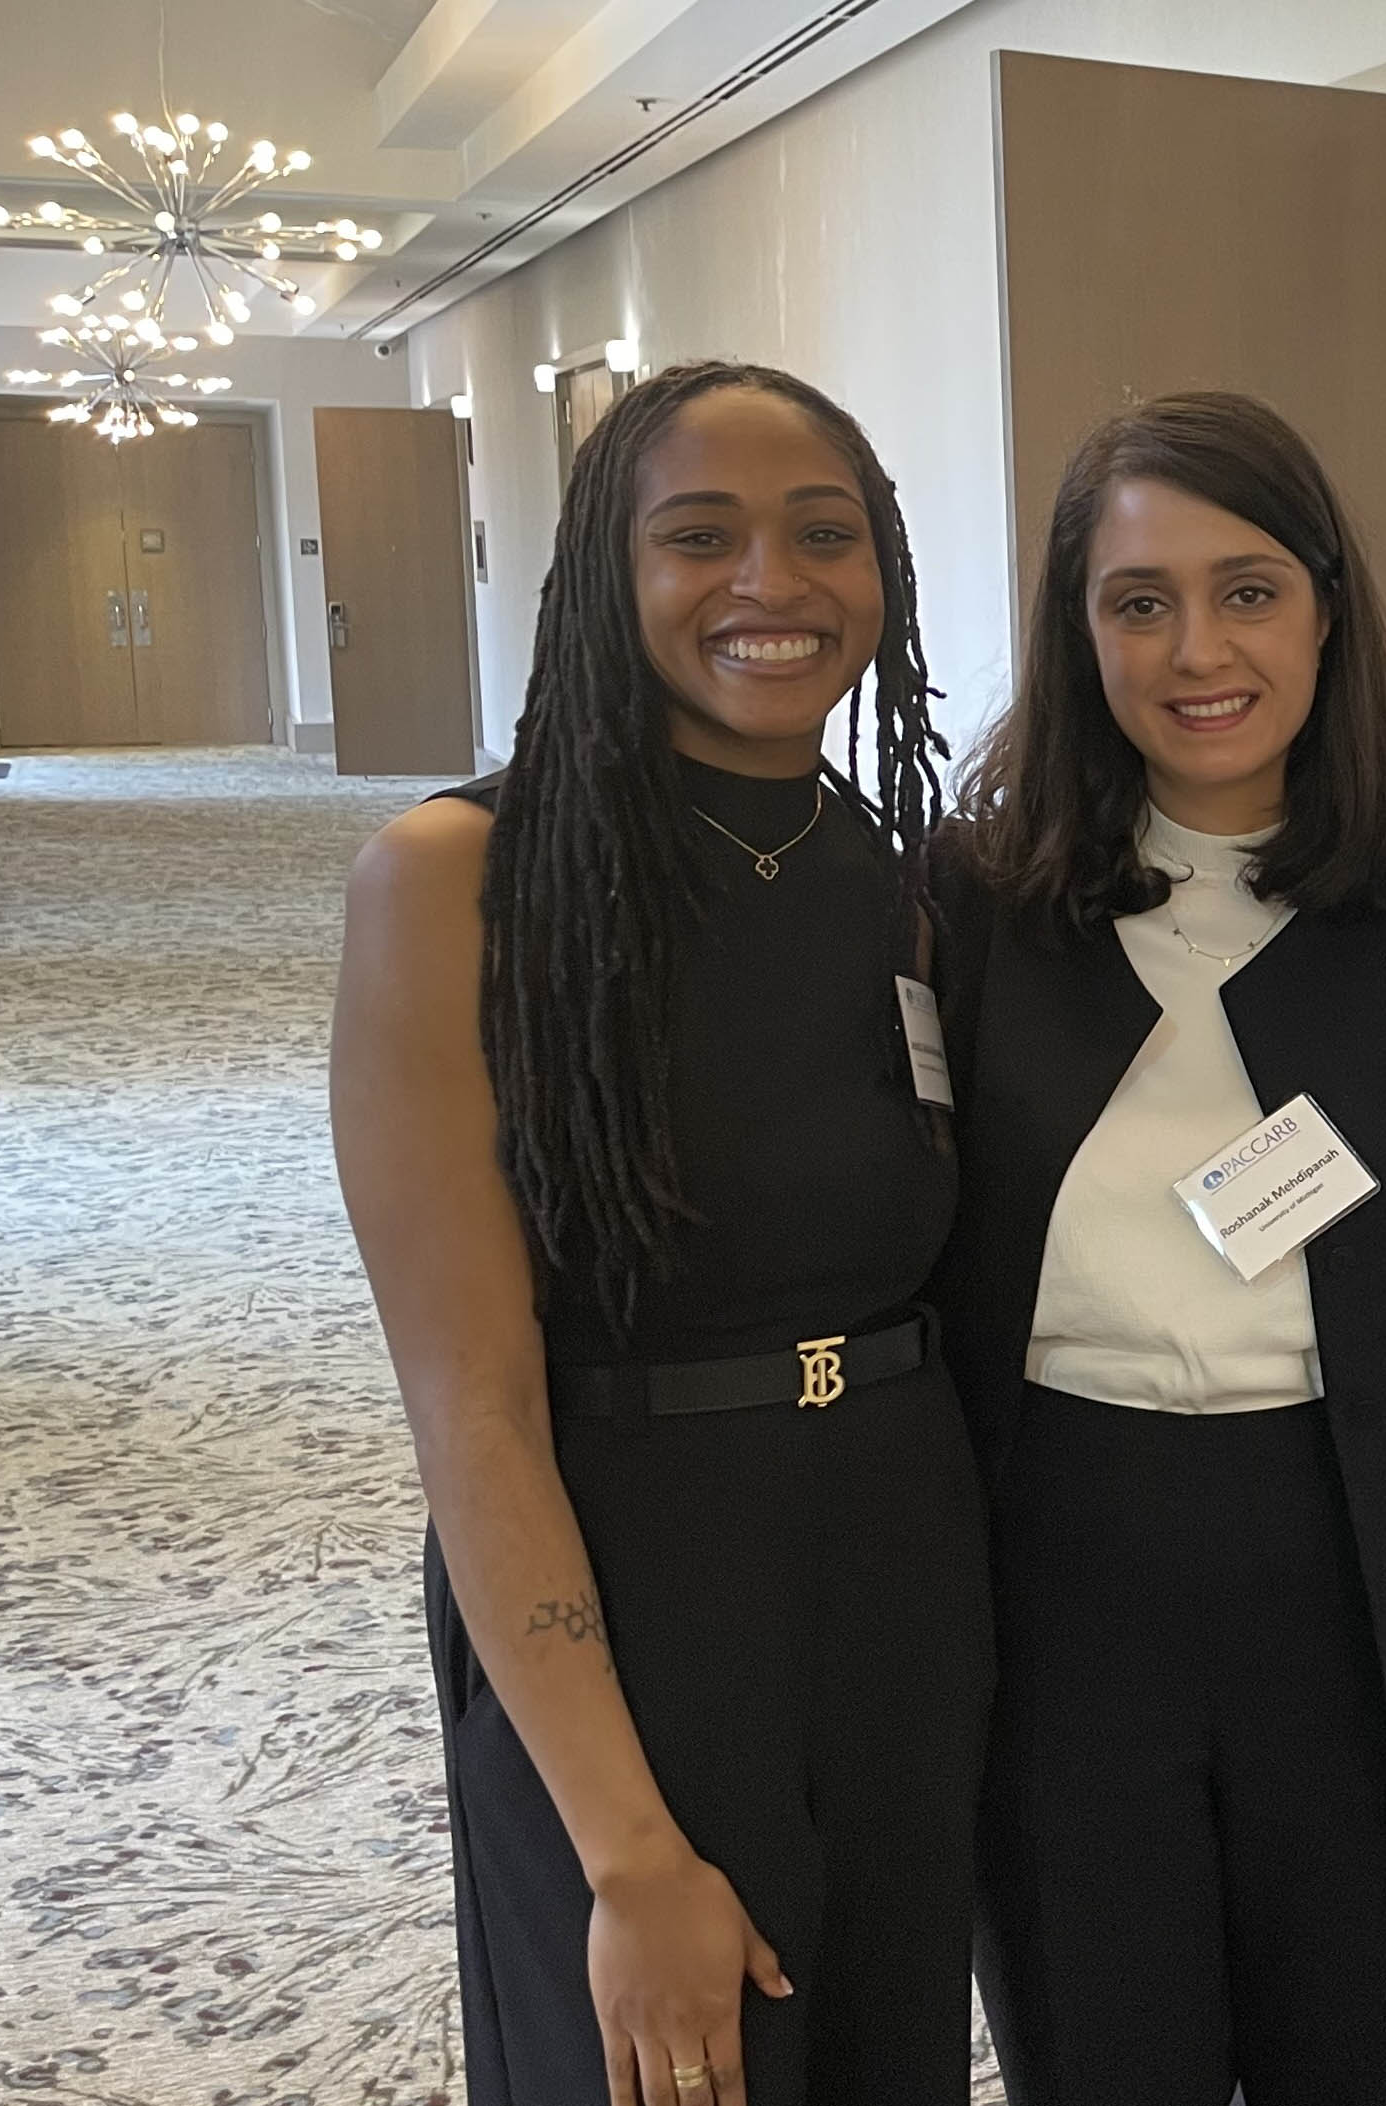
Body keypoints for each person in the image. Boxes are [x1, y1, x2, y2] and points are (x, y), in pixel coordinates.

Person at [331, 360, 985, 2106]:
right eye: (701, 536)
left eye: (822, 535)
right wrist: (624, 1850)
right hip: (633, 1578)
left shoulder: (907, 873)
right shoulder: (458, 874)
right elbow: (469, 1404)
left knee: (880, 2058)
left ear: (886, 574)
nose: (770, 583)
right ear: (604, 578)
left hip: (905, 1567)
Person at [928, 390, 1386, 2106]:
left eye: (1248, 589)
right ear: (1077, 627)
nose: (1199, 648)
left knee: (1374, 2064)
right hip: (1064, 1577)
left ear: (1329, 604)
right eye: (1138, 600)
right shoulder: (975, 905)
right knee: (1105, 2060)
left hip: (1371, 1586)